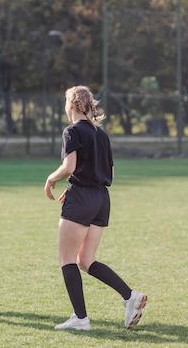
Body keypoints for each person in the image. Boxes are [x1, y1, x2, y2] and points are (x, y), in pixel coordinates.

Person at [44, 85, 147, 330]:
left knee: (67, 259)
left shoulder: (72, 131)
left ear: (70, 105)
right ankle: (130, 296)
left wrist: (51, 179)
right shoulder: (101, 134)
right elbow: (109, 172)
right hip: (101, 198)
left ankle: (80, 318)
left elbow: (70, 166)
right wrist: (76, 187)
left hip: (82, 198)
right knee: (86, 259)